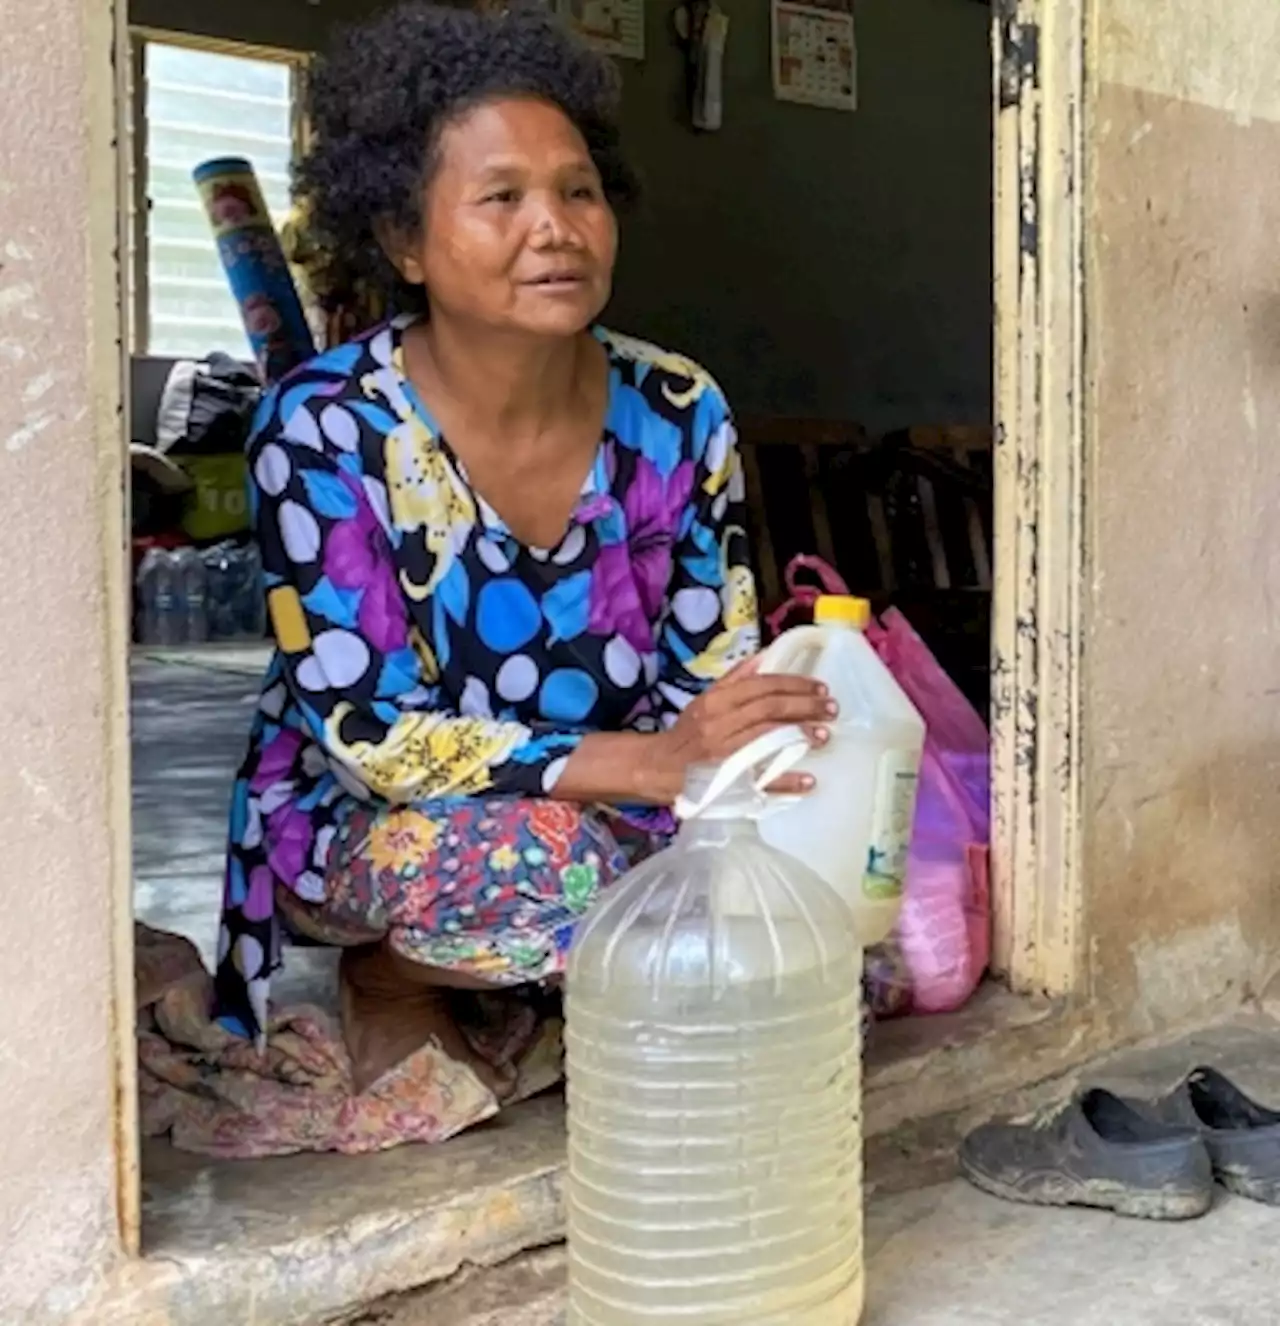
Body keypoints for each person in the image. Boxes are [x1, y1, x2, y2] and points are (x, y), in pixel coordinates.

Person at [215, 1, 835, 1101]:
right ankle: (394, 979)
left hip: (638, 788)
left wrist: (755, 754)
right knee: (550, 871)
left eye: (577, 190)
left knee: (837, 878)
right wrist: (639, 765)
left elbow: (713, 674)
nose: (554, 226)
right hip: (378, 812)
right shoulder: (325, 427)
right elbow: (372, 734)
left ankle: (561, 969)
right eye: (500, 197)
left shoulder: (677, 409)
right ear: (404, 240)